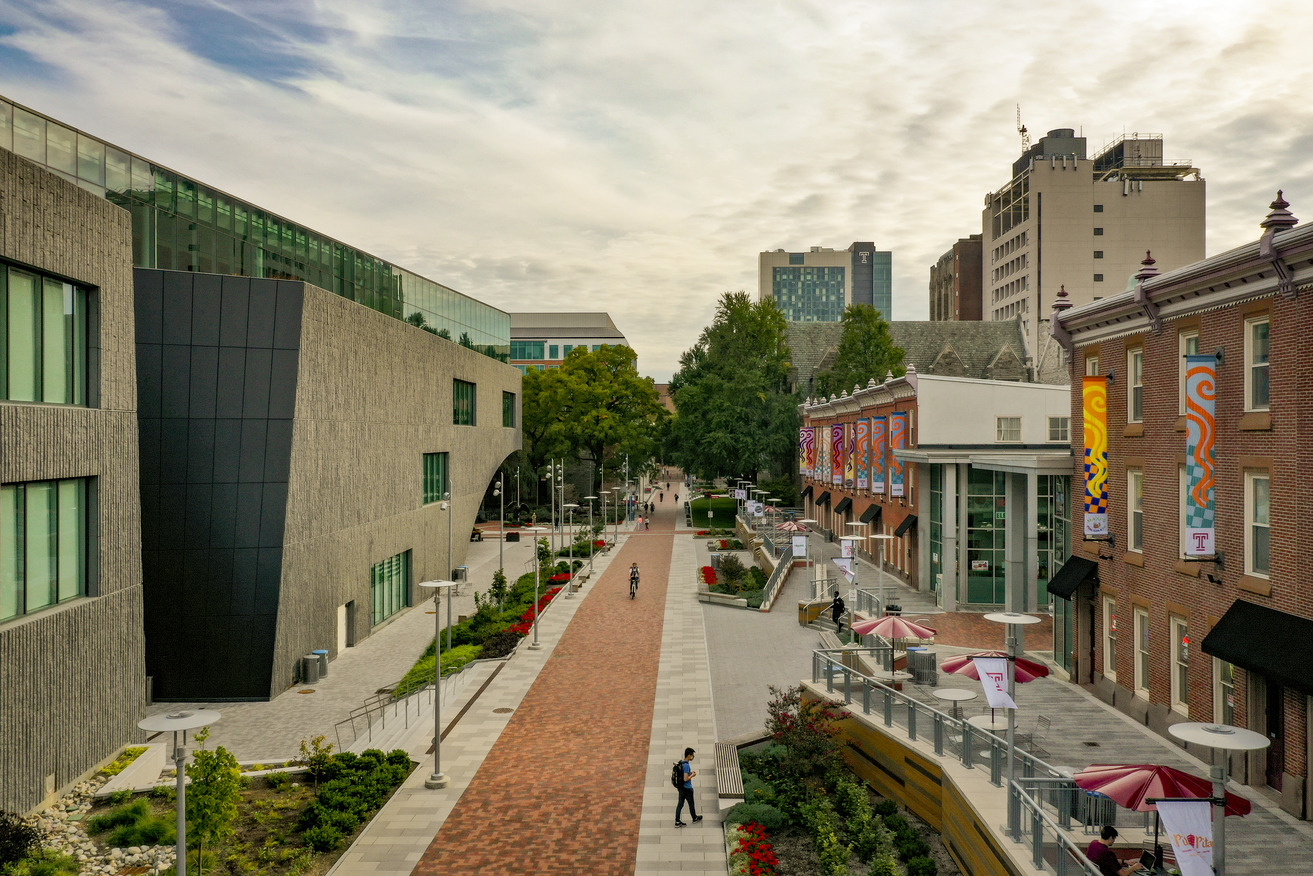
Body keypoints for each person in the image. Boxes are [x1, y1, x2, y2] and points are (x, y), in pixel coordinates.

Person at [675, 747, 702, 827]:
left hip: (681, 788)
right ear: (689, 755)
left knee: (680, 804)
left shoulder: (682, 763)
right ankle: (694, 818)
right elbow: (685, 779)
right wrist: (692, 775)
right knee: (691, 804)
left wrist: (689, 772)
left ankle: (677, 821)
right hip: (687, 788)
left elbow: (684, 774)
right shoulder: (686, 765)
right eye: (692, 755)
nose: (693, 757)